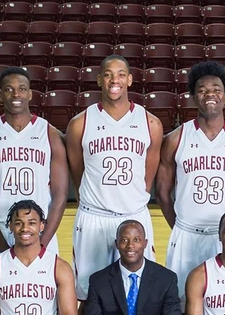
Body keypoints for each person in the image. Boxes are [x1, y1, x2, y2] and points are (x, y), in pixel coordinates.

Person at [66, 55, 164, 300]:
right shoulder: (80, 123)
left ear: (129, 80)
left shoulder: (150, 123)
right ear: (100, 79)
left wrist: (128, 199)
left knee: (140, 291)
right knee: (88, 293)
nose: (114, 80)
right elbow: (79, 172)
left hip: (133, 215)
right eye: (108, 74)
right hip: (93, 217)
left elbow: (147, 177)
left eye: (121, 74)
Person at [156, 61, 225, 294]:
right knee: (180, 301)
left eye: (216, 90)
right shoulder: (175, 139)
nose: (209, 94)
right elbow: (162, 192)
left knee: (222, 300)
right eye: (202, 90)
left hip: (222, 237)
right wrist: (180, 226)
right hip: (186, 234)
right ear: (194, 98)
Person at [0, 67, 69, 262]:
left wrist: (43, 242)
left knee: (44, 291)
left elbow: (61, 194)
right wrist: (1, 244)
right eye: (9, 89)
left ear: (30, 94)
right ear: (0, 95)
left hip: (40, 231)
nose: (16, 94)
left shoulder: (50, 134)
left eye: (22, 88)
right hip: (1, 230)